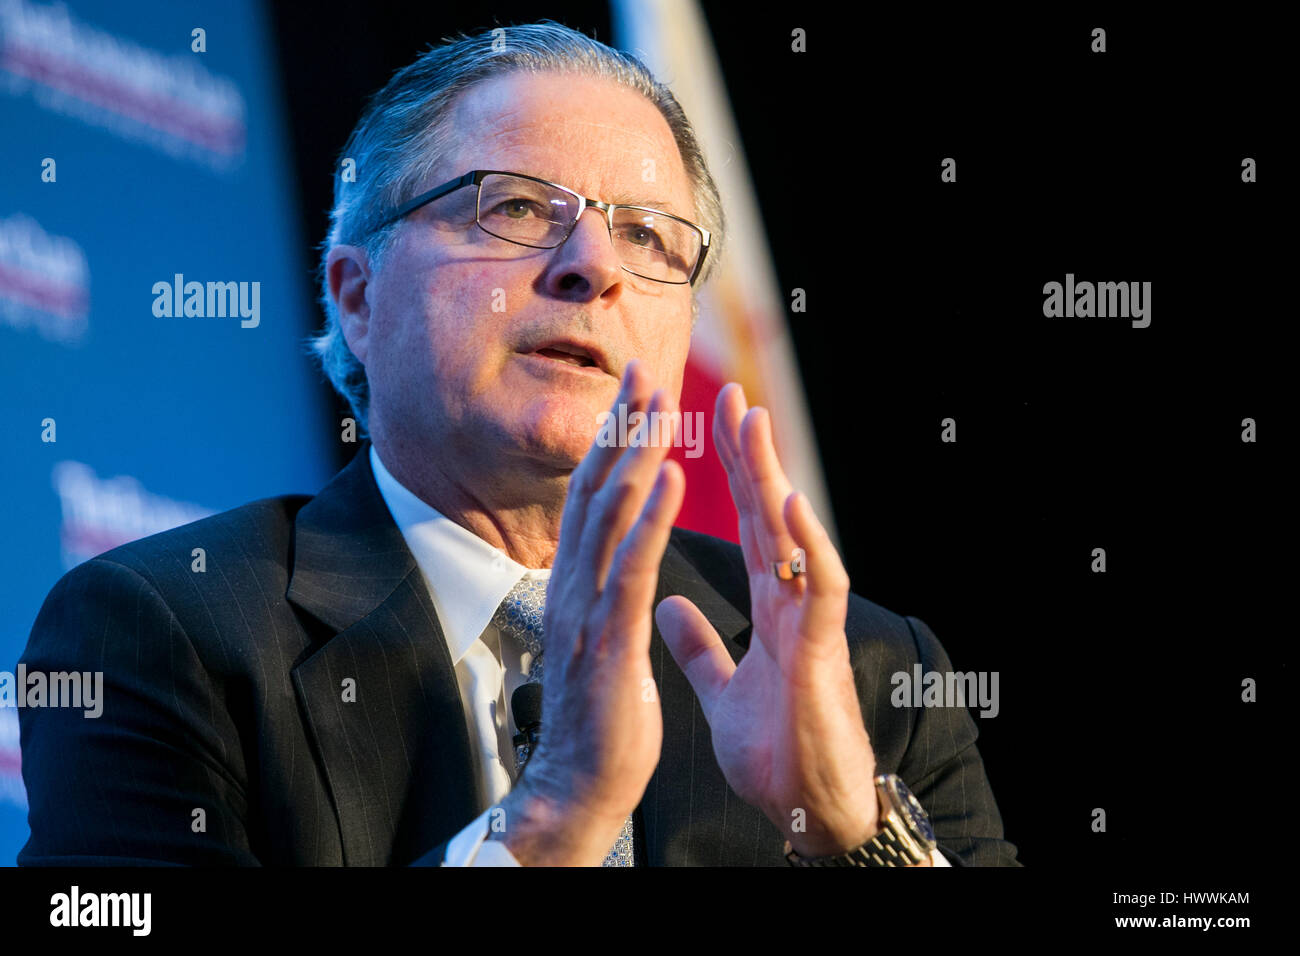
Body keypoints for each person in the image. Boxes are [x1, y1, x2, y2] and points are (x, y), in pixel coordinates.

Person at [18, 22, 1018, 867]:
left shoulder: (866, 673)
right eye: (517, 207)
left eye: (648, 238)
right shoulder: (167, 633)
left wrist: (857, 830)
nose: (591, 264)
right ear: (357, 299)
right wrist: (551, 816)